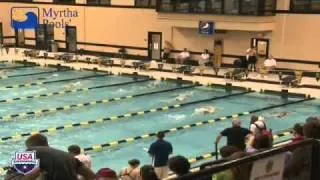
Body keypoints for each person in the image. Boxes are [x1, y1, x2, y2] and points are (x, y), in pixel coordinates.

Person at [5, 134, 95, 180]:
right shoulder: (68, 156)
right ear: (46, 144)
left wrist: (30, 177)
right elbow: (91, 176)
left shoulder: (29, 152)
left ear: (29, 146)